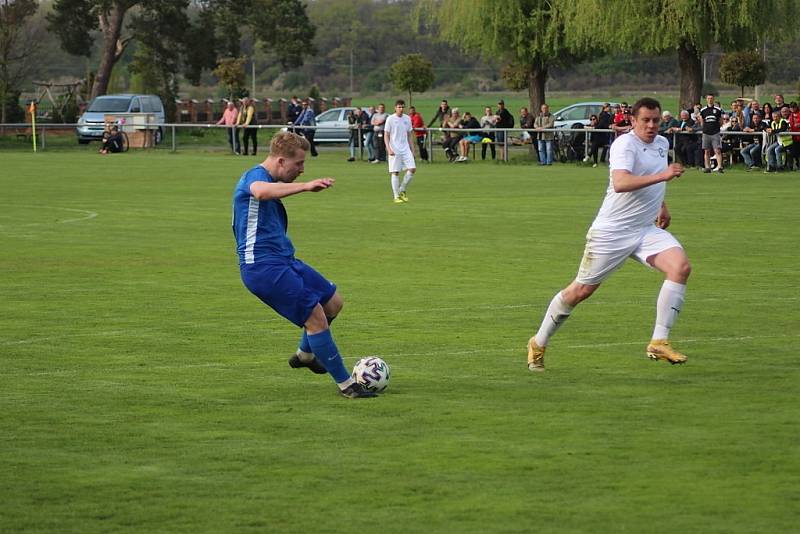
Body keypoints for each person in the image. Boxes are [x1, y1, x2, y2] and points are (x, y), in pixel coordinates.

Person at [525, 97, 691, 372]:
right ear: (633, 121)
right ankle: (538, 342)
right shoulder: (624, 144)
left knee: (681, 267)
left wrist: (662, 205)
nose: (651, 126)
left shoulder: (662, 144)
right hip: (612, 232)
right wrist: (663, 176)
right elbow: (622, 182)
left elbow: (651, 177)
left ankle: (659, 341)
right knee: (581, 290)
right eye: (645, 121)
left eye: (656, 120)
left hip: (644, 229)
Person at [231, 131, 377, 398]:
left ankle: (305, 354)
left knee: (333, 302)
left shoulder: (270, 177)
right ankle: (348, 386)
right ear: (280, 161)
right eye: (298, 163)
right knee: (316, 318)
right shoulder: (254, 177)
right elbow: (262, 193)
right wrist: (306, 186)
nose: (302, 169)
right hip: (262, 268)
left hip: (284, 260)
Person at [384, 99, 417, 203]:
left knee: (412, 169)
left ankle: (402, 189)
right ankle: (396, 196)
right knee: (395, 172)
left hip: (405, 148)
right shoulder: (390, 119)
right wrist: (388, 148)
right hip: (394, 149)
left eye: (402, 107)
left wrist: (413, 149)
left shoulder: (407, 118)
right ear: (395, 108)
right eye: (399, 107)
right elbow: (386, 135)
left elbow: (409, 135)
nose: (401, 109)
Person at [699, 94, 724, 173]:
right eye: (708, 98)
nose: (710, 99)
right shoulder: (703, 110)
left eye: (711, 98)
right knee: (706, 151)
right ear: (706, 99)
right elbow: (702, 122)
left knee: (717, 150)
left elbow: (720, 121)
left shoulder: (718, 109)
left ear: (713, 99)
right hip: (706, 133)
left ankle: (720, 167)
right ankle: (707, 167)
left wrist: (716, 128)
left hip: (715, 132)